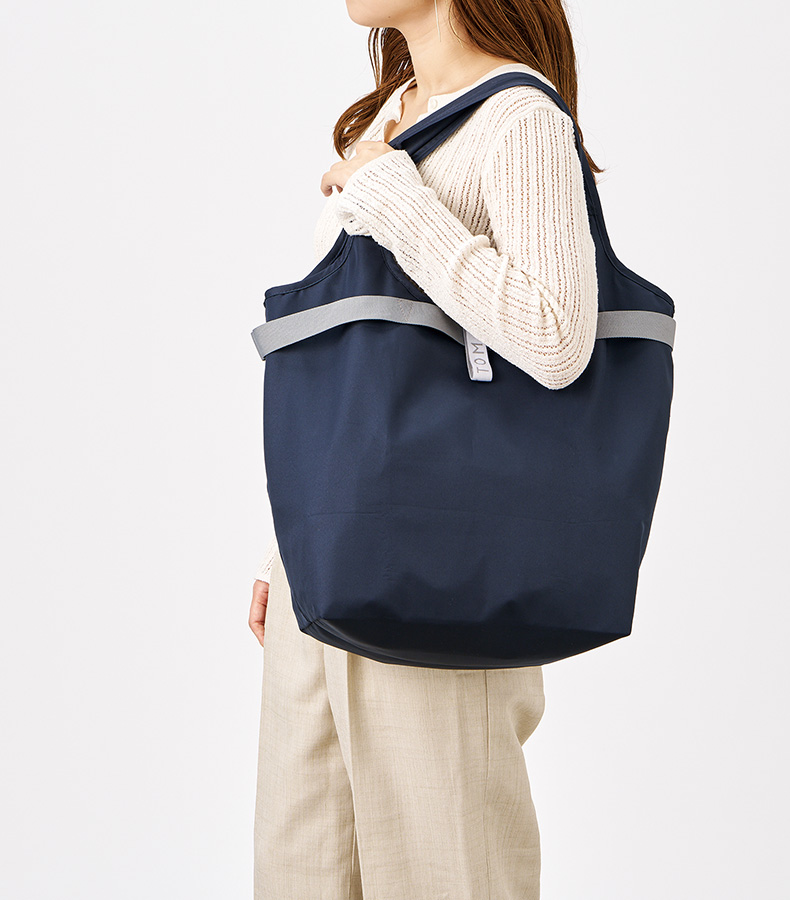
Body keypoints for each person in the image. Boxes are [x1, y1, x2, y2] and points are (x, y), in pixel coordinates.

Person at [249, 1, 603, 897]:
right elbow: (359, 368)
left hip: (443, 573)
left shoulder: (519, 120)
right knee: (299, 874)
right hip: (328, 568)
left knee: (446, 877)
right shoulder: (388, 113)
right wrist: (287, 541)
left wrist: (401, 202)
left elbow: (558, 338)